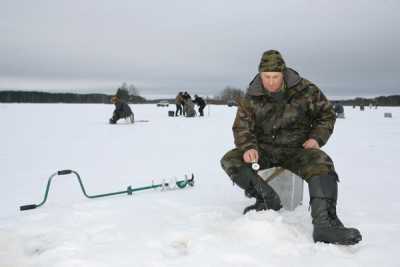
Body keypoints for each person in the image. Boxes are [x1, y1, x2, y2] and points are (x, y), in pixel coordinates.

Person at [220, 50, 362, 245]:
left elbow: (326, 114)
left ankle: (324, 225)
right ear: (260, 75)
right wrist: (248, 147)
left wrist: (316, 139)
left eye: (275, 77)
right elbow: (242, 127)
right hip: (265, 150)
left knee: (322, 162)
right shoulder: (252, 95)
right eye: (266, 77)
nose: (270, 82)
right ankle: (267, 199)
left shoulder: (305, 89)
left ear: (283, 73)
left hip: (298, 149)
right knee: (230, 159)